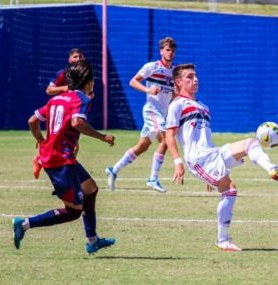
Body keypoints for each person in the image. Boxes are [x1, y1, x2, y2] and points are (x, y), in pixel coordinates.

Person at [165, 63, 278, 252]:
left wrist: (212, 175)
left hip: (212, 154)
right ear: (178, 82)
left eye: (195, 76)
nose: (195, 79)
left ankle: (272, 169)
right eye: (189, 77)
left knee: (251, 143)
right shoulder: (177, 105)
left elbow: (205, 138)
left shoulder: (203, 107)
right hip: (197, 159)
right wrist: (177, 161)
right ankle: (223, 240)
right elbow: (169, 135)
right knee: (230, 190)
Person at [13, 60, 116, 255]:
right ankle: (24, 224)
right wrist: (102, 137)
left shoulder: (56, 99)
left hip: (59, 157)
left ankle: (92, 241)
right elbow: (77, 122)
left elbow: (32, 120)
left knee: (91, 189)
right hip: (60, 161)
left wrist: (42, 141)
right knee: (74, 211)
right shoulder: (81, 100)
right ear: (88, 82)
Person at [105, 37, 177, 193]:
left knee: (142, 147)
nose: (170, 52)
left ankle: (114, 170)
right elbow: (133, 81)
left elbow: (174, 94)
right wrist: (148, 90)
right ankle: (153, 178)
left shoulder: (175, 72)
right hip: (152, 110)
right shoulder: (152, 67)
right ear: (161, 51)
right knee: (166, 139)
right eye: (167, 49)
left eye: (172, 50)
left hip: (163, 114)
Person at [32, 48, 86, 179]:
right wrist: (64, 88)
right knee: (62, 144)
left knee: (73, 145)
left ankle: (42, 161)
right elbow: (49, 90)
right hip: (60, 107)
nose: (78, 59)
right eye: (75, 57)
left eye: (80, 56)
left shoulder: (85, 75)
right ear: (69, 60)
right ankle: (60, 175)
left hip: (73, 108)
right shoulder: (63, 74)